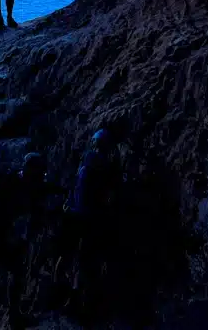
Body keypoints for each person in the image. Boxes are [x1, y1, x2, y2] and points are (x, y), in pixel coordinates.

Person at [0, 152, 57, 328]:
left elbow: (36, 207)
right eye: (38, 173)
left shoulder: (31, 186)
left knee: (13, 270)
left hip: (4, 232)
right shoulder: (6, 184)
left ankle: (10, 314)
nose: (39, 178)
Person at [57, 129, 125, 323]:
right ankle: (78, 302)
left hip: (74, 215)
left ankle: (63, 295)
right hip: (88, 219)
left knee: (70, 257)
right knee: (86, 262)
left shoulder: (84, 162)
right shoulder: (98, 163)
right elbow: (112, 184)